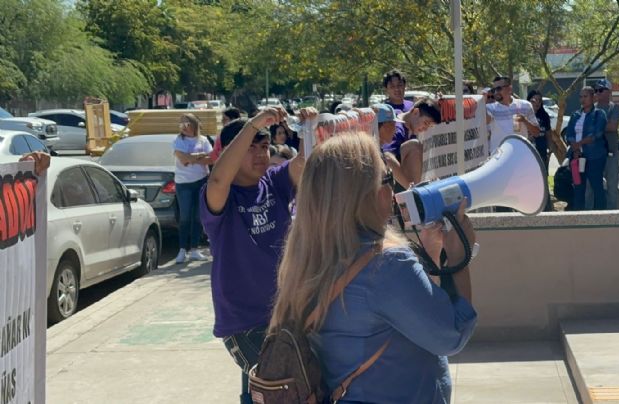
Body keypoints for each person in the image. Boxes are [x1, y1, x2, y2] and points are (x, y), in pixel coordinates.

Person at [269, 134, 477, 403]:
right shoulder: (387, 264)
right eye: (387, 179)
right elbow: (450, 335)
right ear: (367, 193)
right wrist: (460, 256)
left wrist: (431, 254)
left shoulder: (305, 259)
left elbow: (394, 315)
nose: (392, 192)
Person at [200, 106, 311, 404]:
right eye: (250, 148)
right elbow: (218, 181)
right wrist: (251, 125)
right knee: (282, 386)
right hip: (244, 322)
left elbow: (304, 164)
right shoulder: (219, 196)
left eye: (264, 146)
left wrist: (311, 128)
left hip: (286, 313)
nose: (260, 154)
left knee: (270, 391)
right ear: (229, 154)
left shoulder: (274, 182)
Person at [173, 113, 212, 263]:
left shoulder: (203, 140)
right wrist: (198, 157)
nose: (183, 126)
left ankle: (194, 249)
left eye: (186, 123)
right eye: (181, 123)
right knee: (185, 217)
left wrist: (192, 157)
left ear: (194, 125)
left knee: (197, 217)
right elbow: (183, 160)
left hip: (201, 180)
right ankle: (182, 249)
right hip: (184, 183)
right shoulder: (178, 141)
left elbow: (210, 157)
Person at [382, 97, 442, 189]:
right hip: (389, 181)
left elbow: (422, 102)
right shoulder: (397, 129)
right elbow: (387, 157)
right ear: (415, 112)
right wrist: (412, 189)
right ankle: (416, 194)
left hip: (402, 179)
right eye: (426, 123)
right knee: (414, 146)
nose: (425, 129)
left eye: (429, 126)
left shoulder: (409, 119)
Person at [565, 86, 608, 211]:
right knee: (578, 187)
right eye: (581, 96)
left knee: (596, 186)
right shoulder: (575, 115)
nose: (583, 99)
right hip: (577, 157)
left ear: (593, 97)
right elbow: (569, 133)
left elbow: (596, 134)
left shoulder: (599, 114)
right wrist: (575, 148)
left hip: (595, 156)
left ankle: (601, 215)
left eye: (586, 96)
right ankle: (578, 215)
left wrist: (580, 143)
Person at [485, 76, 540, 153]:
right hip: (498, 159)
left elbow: (537, 133)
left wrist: (525, 121)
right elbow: (486, 120)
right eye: (493, 90)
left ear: (509, 88)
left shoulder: (525, 105)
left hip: (520, 156)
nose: (496, 92)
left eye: (498, 89)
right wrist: (482, 101)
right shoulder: (490, 108)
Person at [594, 79, 619, 210]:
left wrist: (595, 126)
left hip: (611, 153)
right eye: (596, 90)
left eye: (601, 90)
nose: (597, 93)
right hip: (594, 154)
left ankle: (613, 214)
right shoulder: (591, 108)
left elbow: (612, 126)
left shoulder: (615, 108)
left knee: (612, 186)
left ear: (609, 92)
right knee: (593, 186)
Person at [527, 90, 552, 172]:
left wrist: (549, 148)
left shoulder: (544, 116)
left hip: (542, 149)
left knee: (542, 174)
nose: (537, 103)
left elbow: (548, 133)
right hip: (528, 150)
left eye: (539, 100)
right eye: (534, 100)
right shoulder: (524, 115)